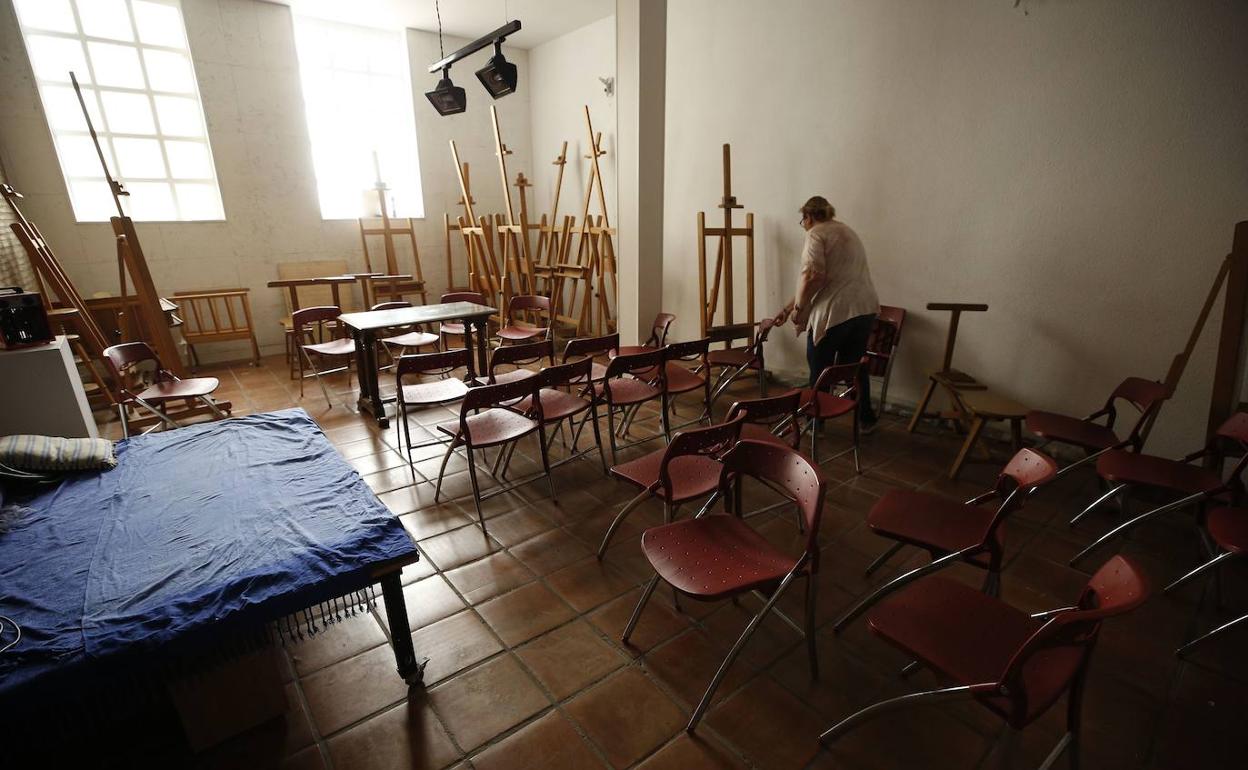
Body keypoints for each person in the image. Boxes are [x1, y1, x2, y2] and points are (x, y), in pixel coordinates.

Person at [773, 196, 880, 431]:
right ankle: (866, 418)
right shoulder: (847, 231)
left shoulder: (816, 233)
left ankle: (815, 422)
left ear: (808, 217)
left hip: (836, 311)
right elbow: (819, 280)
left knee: (820, 368)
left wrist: (799, 310)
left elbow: (812, 276)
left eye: (803, 220)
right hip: (864, 308)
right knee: (853, 367)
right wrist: (787, 308)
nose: (804, 225)